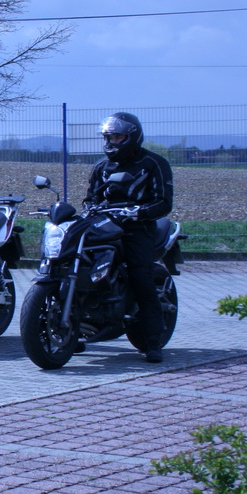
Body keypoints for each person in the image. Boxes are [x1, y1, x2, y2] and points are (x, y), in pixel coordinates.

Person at [84, 111, 174, 363]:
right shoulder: (101, 166)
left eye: (118, 137)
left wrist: (138, 212)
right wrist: (88, 208)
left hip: (138, 228)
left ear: (132, 137)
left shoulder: (153, 163)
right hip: (105, 224)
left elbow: (164, 202)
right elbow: (90, 198)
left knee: (140, 276)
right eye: (109, 137)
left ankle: (153, 341)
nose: (112, 142)